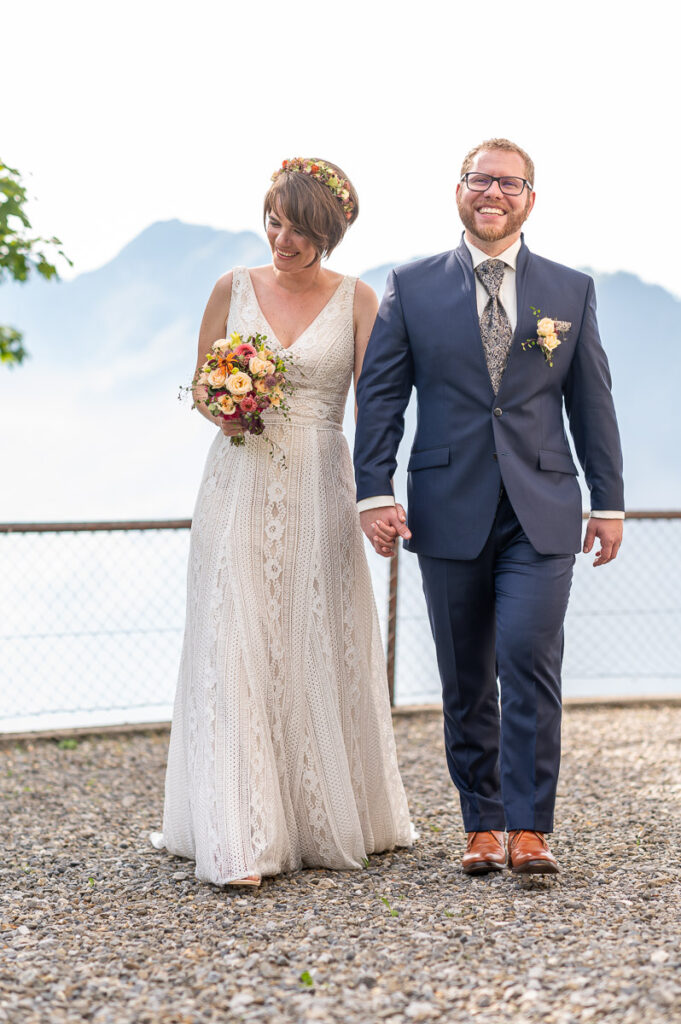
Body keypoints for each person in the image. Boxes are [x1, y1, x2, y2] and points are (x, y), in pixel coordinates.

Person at [353, 138, 623, 875]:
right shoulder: (410, 285)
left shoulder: (570, 291)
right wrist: (372, 491)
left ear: (530, 199)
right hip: (446, 505)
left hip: (542, 506)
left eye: (509, 183)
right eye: (480, 180)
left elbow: (591, 403)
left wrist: (609, 503)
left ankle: (531, 828)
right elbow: (380, 395)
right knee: (465, 672)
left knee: (526, 655)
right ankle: (482, 822)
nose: (493, 193)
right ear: (458, 192)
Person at [152, 158, 413, 886]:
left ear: (328, 232)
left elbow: (376, 412)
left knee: (311, 636)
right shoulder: (229, 289)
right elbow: (204, 386)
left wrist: (374, 497)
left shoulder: (359, 299)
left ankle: (322, 811)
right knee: (233, 635)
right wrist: (228, 405)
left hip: (320, 485)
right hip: (236, 477)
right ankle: (240, 834)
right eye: (274, 222)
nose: (282, 239)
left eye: (299, 228)